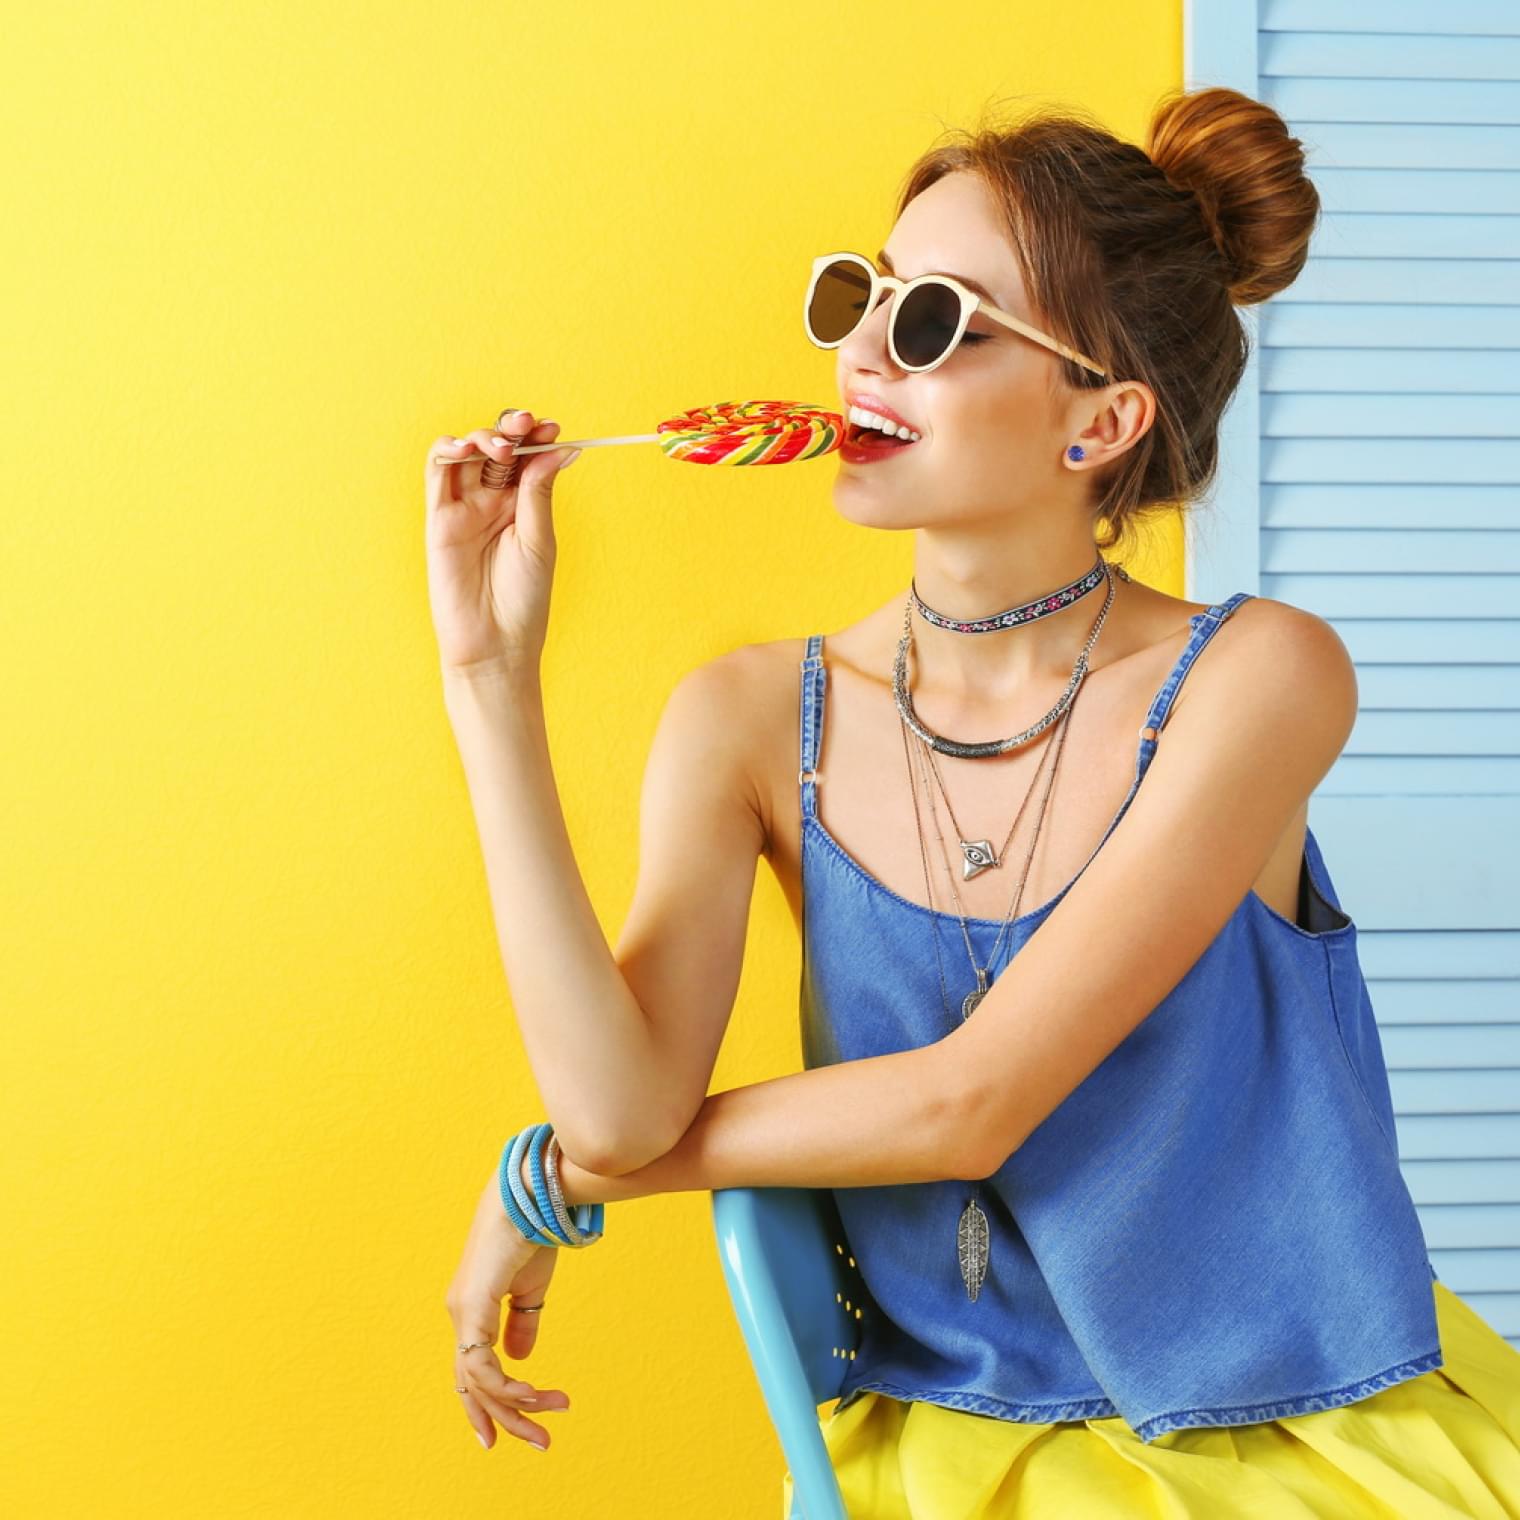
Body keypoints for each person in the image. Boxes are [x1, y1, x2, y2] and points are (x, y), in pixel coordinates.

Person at [427, 85, 1520, 1513]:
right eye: (863, 295)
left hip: (1306, 1430)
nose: (862, 351)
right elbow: (620, 1108)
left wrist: (560, 1184)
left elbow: (971, 1104)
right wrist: (488, 681)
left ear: (1102, 420)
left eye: (938, 320)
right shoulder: (747, 721)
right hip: (960, 1450)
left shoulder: (1259, 678)